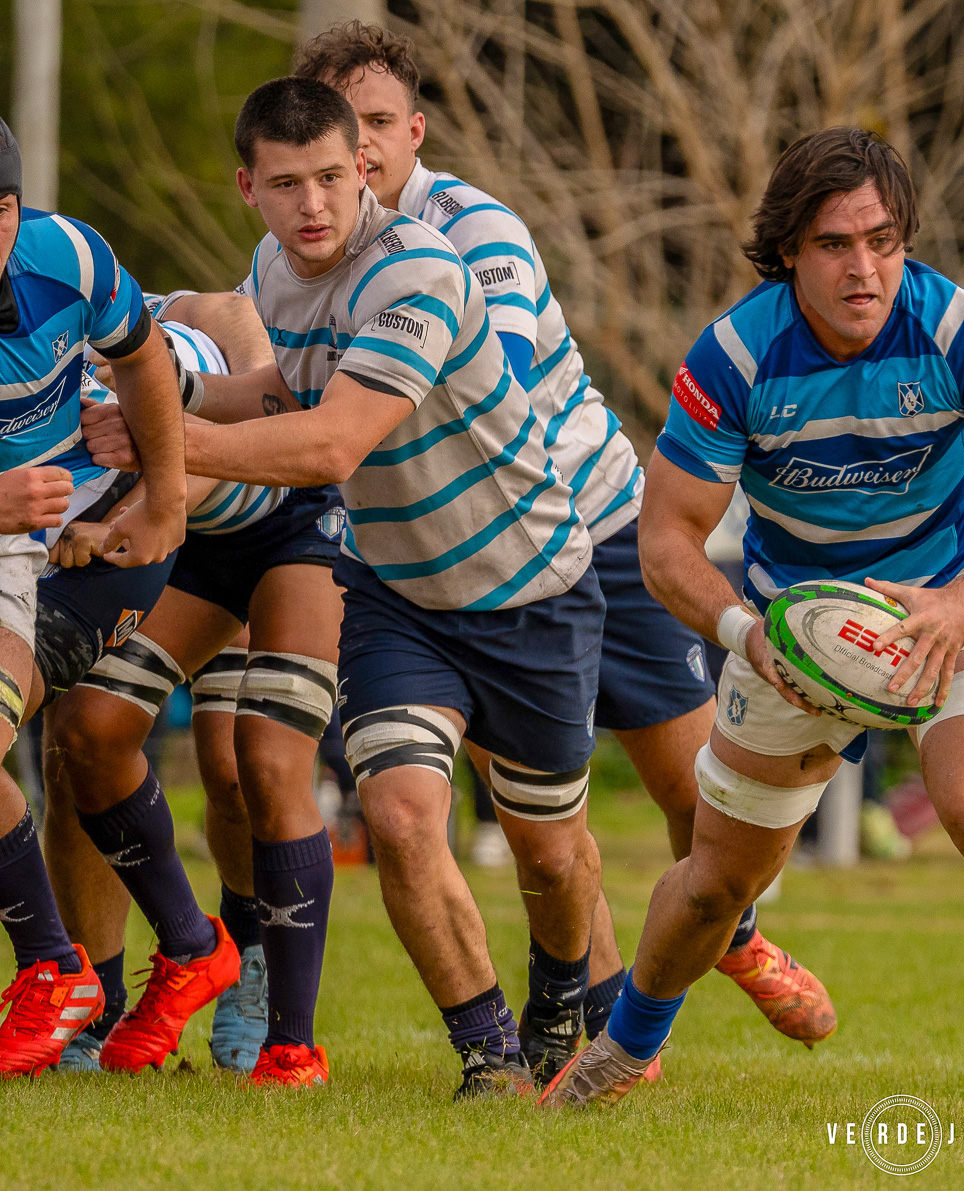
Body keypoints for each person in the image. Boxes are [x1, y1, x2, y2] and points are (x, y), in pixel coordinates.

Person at [539, 126, 964, 1130]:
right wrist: (752, 637)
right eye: (836, 244)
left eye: (883, 239)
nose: (864, 267)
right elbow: (667, 543)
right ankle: (622, 1051)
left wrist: (962, 606)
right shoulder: (736, 355)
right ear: (791, 250)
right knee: (716, 886)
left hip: (949, 600)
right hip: (792, 632)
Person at [292, 20, 835, 1077]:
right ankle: (595, 1019)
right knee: (542, 820)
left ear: (414, 131)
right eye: (334, 127)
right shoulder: (303, 246)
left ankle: (739, 936)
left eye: (375, 124)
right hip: (470, 570)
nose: (354, 150)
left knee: (695, 797)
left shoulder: (469, 232)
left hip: (598, 527)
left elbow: (451, 396)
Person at [87, 75, 599, 1100]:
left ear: (366, 169)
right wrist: (163, 393)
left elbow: (330, 441)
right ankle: (488, 1055)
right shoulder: (276, 271)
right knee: (403, 814)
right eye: (287, 185)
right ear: (250, 187)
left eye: (331, 177)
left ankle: (560, 993)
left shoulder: (419, 272)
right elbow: (284, 389)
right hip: (397, 594)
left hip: (530, 586)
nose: (313, 204)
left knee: (551, 855)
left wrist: (169, 440)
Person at [47, 289, 345, 1085]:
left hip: (283, 521)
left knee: (249, 761)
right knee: (82, 733)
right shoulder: (24, 388)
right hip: (179, 548)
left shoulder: (108, 301)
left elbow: (241, 350)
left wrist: (148, 492)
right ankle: (143, 974)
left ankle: (281, 1020)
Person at [0, 116, 197, 1076]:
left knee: (86, 734)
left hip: (93, 541)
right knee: (80, 741)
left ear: (10, 215)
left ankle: (80, 976)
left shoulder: (67, 257)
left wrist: (163, 500)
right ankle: (175, 956)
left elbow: (147, 353)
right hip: (8, 532)